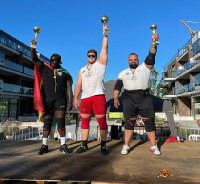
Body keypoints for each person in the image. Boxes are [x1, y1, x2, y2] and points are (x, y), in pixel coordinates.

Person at [114, 32, 161, 156]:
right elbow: (118, 86)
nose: (133, 61)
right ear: (128, 61)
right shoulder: (123, 73)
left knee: (149, 122)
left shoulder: (145, 67)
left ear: (138, 60)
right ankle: (126, 146)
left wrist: (154, 43)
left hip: (144, 98)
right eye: (131, 59)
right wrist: (115, 98)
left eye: (135, 59)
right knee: (129, 122)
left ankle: (153, 146)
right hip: (129, 99)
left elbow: (151, 56)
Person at [30, 38, 73, 155]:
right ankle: (44, 146)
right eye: (51, 60)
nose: (52, 62)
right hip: (47, 100)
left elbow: (69, 88)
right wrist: (33, 47)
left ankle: (63, 145)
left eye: (54, 61)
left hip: (60, 100)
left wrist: (70, 101)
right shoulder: (44, 68)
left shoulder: (65, 73)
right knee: (47, 124)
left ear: (59, 62)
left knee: (61, 124)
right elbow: (34, 58)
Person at [74, 24, 109, 155]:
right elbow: (78, 84)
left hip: (98, 96)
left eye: (93, 55)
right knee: (84, 122)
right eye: (89, 55)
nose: (91, 57)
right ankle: (84, 145)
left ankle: (103, 145)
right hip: (85, 98)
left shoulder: (101, 64)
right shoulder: (82, 69)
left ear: (96, 56)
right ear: (86, 56)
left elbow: (104, 48)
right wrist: (75, 97)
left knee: (101, 121)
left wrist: (105, 34)